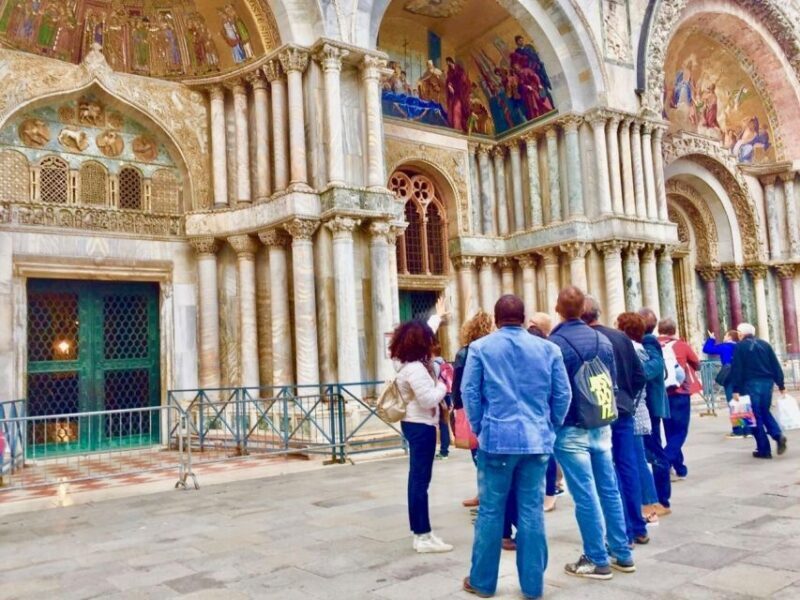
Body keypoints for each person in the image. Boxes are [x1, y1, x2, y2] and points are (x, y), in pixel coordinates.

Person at [460, 295, 570, 599]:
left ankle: (482, 582)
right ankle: (533, 585)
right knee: (532, 510)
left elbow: (469, 392)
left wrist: (482, 427)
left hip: (496, 440)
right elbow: (562, 395)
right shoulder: (549, 349)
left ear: (496, 320)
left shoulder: (481, 348)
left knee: (491, 512)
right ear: (523, 319)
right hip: (536, 441)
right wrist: (550, 427)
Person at [549, 286, 635, 579]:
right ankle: (622, 553)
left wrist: (554, 421)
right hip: (601, 423)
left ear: (558, 309)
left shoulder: (555, 342)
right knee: (609, 489)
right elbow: (609, 381)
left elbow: (557, 391)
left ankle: (597, 559)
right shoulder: (602, 338)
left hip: (572, 427)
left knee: (585, 494)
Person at [582, 297, 649, 546]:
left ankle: (623, 533)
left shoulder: (589, 340)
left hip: (599, 412)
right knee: (628, 467)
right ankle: (638, 527)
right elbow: (639, 375)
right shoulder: (621, 337)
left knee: (607, 472)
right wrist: (627, 398)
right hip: (623, 410)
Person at [389, 320, 452, 553]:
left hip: (415, 424)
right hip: (420, 425)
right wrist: (445, 386)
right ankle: (422, 536)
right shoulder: (415, 369)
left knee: (418, 480)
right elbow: (427, 399)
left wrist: (436, 318)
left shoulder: (404, 365)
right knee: (419, 481)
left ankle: (423, 532)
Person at [617, 312, 662, 526]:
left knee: (637, 461)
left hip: (633, 411)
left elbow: (640, 376)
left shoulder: (634, 350)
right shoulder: (639, 348)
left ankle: (649, 508)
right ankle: (648, 506)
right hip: (637, 409)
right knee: (638, 459)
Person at [452, 310, 495, 508]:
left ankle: (486, 494)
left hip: (472, 408)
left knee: (478, 453)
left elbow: (459, 384)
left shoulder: (464, 352)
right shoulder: (493, 349)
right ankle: (484, 492)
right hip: (492, 405)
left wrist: (458, 409)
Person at [730, 323, 788, 459]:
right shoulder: (765, 344)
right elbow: (775, 365)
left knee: (753, 417)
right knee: (764, 411)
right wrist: (781, 385)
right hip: (767, 383)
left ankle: (763, 449)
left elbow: (737, 369)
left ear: (741, 333)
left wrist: (735, 389)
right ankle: (778, 435)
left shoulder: (740, 347)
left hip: (751, 384)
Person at [637, 308, 672, 516]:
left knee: (656, 452)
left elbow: (654, 367)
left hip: (649, 405)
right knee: (651, 451)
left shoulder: (649, 341)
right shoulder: (647, 340)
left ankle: (662, 500)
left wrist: (633, 371)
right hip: (649, 405)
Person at [657, 318, 701, 480]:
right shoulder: (681, 345)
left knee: (670, 431)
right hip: (680, 392)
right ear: (673, 330)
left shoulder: (652, 344)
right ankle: (665, 463)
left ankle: (679, 467)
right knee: (680, 431)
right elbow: (697, 363)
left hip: (661, 394)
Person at [527, 312, 561, 512]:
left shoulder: (551, 349)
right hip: (536, 411)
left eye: (531, 323)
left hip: (542, 411)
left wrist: (555, 418)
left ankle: (550, 492)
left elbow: (561, 389)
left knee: (546, 453)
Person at [703, 330, 748, 438]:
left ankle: (738, 430)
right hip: (743, 377)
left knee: (733, 403)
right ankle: (747, 429)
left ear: (729, 337)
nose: (724, 337)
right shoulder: (742, 347)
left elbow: (707, 349)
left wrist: (711, 339)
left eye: (726, 335)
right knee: (743, 402)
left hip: (730, 377)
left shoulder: (725, 347)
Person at [431, 340, 454, 460]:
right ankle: (445, 448)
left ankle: (444, 450)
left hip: (440, 396)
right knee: (444, 422)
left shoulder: (434, 365)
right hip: (448, 395)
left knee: (441, 424)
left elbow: (433, 382)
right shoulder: (445, 363)